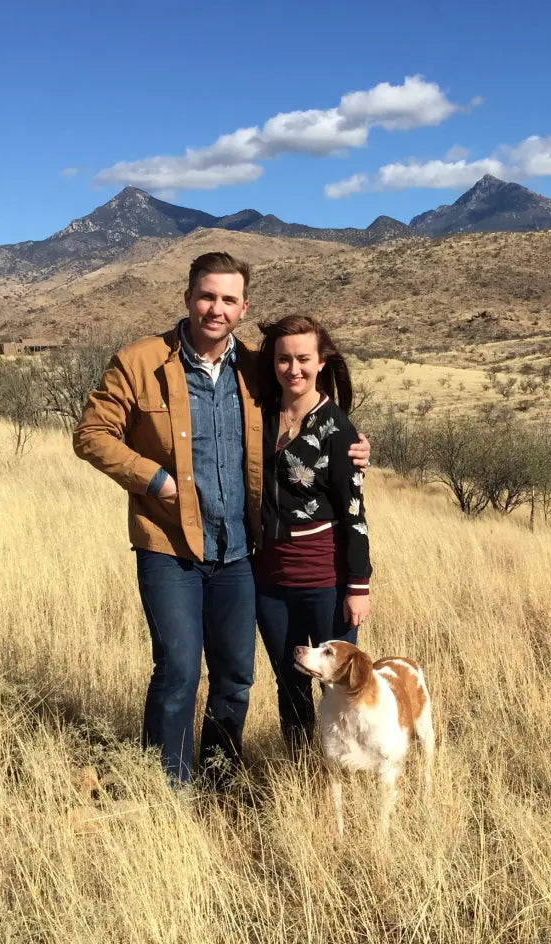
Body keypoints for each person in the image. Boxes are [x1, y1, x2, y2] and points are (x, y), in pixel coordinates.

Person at [72, 252, 368, 788]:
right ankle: (169, 788)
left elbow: (305, 405)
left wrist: (350, 443)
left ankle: (219, 778)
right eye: (207, 296)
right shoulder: (139, 362)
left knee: (236, 677)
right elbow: (92, 435)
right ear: (188, 298)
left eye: (229, 299)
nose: (216, 308)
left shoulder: (255, 367)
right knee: (180, 670)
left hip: (239, 553)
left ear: (243, 307)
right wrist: (155, 480)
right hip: (169, 545)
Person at [253, 314, 371, 753]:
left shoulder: (338, 430)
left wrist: (358, 585)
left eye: (303, 358)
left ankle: (347, 767)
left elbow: (355, 513)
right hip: (267, 578)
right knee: (289, 682)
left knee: (337, 686)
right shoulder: (257, 416)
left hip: (325, 578)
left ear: (322, 362)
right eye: (284, 359)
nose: (293, 369)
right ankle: (302, 769)